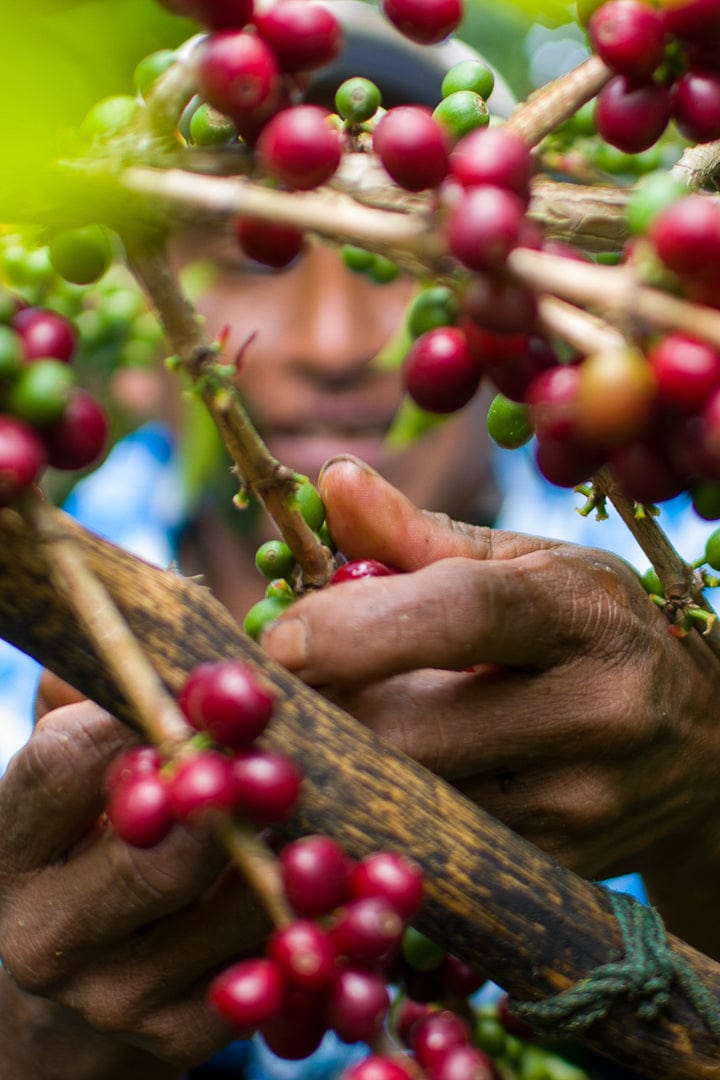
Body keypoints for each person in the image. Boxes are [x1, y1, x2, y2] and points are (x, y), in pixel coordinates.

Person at [0, 4, 719, 1079]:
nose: (334, 344)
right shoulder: (24, 614)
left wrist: (703, 822)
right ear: (144, 333)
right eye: (254, 256)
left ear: (513, 301)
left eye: (389, 263)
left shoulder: (676, 579)